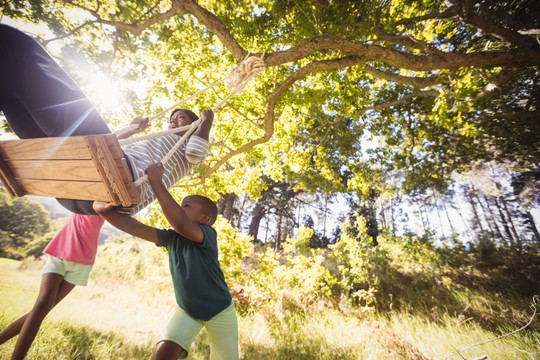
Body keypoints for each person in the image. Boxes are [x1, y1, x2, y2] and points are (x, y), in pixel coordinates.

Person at [0, 23, 215, 359]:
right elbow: (107, 143)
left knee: (15, 46)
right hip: (79, 188)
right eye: (173, 118)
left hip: (116, 184)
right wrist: (132, 128)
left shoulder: (186, 152)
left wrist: (206, 118)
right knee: (14, 95)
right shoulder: (153, 141)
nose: (175, 121)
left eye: (182, 119)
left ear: (191, 127)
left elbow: (199, 149)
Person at [93, 162, 238, 360]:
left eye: (186, 206)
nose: (180, 209)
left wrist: (157, 183)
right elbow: (135, 227)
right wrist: (104, 211)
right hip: (188, 309)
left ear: (204, 219)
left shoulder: (207, 235)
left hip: (220, 311)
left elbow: (180, 223)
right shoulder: (171, 238)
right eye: (181, 205)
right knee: (161, 355)